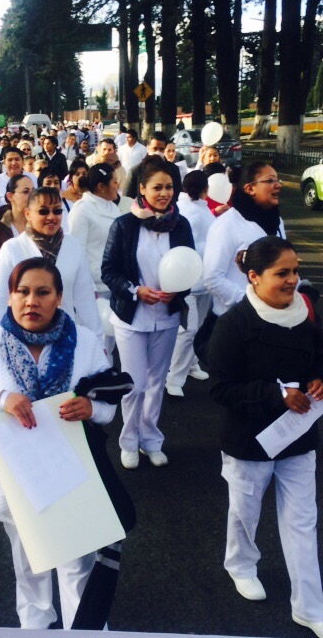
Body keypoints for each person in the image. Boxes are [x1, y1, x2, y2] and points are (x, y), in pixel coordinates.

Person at [0, 258, 116, 630]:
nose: (31, 301)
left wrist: (91, 407)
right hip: (18, 483)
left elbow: (109, 407)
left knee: (78, 571)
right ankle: (35, 629)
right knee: (31, 573)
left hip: (73, 477)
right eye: (22, 292)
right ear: (9, 297)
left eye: (42, 292)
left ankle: (83, 630)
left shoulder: (85, 342)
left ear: (59, 298)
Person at [206, 236, 323, 638]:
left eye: (296, 270)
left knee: (303, 521)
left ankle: (310, 608)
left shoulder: (305, 312)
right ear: (254, 276)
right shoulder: (234, 324)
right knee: (245, 513)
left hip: (298, 436)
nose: (292, 280)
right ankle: (241, 565)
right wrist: (276, 395)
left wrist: (321, 382)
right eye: (281, 273)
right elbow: (220, 388)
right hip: (250, 441)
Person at [101, 156, 194, 468]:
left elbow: (190, 268)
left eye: (169, 187)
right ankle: (128, 441)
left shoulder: (181, 225)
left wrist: (178, 290)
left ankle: (151, 440)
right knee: (135, 383)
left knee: (156, 383)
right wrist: (135, 290)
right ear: (142, 189)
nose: (164, 193)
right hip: (132, 317)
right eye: (157, 187)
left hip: (166, 316)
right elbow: (108, 270)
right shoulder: (124, 224)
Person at [0, 186, 104, 344]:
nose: (51, 217)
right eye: (43, 211)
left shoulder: (74, 246)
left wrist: (97, 341)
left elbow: (85, 299)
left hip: (64, 339)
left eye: (57, 211)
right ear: (28, 214)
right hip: (21, 340)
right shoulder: (12, 249)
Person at [204, 162, 287, 320]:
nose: (278, 185)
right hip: (234, 319)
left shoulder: (277, 221)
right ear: (250, 189)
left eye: (278, 180)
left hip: (273, 317)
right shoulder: (227, 224)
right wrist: (249, 301)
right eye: (270, 181)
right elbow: (212, 278)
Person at [66, 162, 124, 359]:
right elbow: (76, 250)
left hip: (114, 283)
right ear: (101, 186)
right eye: (114, 182)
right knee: (94, 339)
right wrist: (88, 288)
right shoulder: (81, 210)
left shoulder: (112, 207)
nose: (118, 186)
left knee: (111, 337)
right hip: (94, 288)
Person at [166, 171, 214, 397]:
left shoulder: (202, 209)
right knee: (188, 330)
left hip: (206, 281)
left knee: (200, 328)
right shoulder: (185, 212)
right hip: (189, 283)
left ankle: (191, 363)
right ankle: (174, 378)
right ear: (206, 189)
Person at [0, 174, 34, 304]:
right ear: (10, 196)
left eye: (34, 191)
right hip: (7, 297)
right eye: (26, 192)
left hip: (36, 296)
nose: (32, 196)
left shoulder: (39, 226)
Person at [123, 132, 182, 201]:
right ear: (148, 148)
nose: (158, 152)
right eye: (155, 149)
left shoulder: (173, 169)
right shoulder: (136, 171)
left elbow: (177, 195)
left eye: (161, 149)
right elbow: (127, 199)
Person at [0, 147, 38, 214]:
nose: (13, 163)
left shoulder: (32, 177)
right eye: (10, 160)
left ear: (22, 161)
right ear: (4, 162)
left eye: (17, 159)